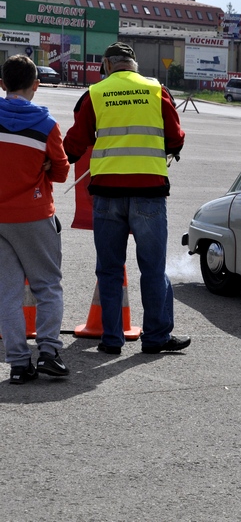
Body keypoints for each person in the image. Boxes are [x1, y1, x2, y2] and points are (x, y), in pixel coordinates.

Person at [64, 42, 189, 355]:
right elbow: (176, 138)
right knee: (153, 269)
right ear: (134, 65)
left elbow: (74, 144)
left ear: (107, 65)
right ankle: (156, 337)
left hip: (107, 194)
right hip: (149, 192)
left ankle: (111, 340)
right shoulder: (156, 90)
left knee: (109, 269)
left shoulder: (95, 93)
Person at [0, 55, 70, 383]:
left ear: (3, 84)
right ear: (36, 85)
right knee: (47, 285)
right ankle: (49, 353)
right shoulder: (46, 124)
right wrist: (46, 166)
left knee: (8, 293)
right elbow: (62, 171)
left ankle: (18, 364)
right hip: (34, 214)